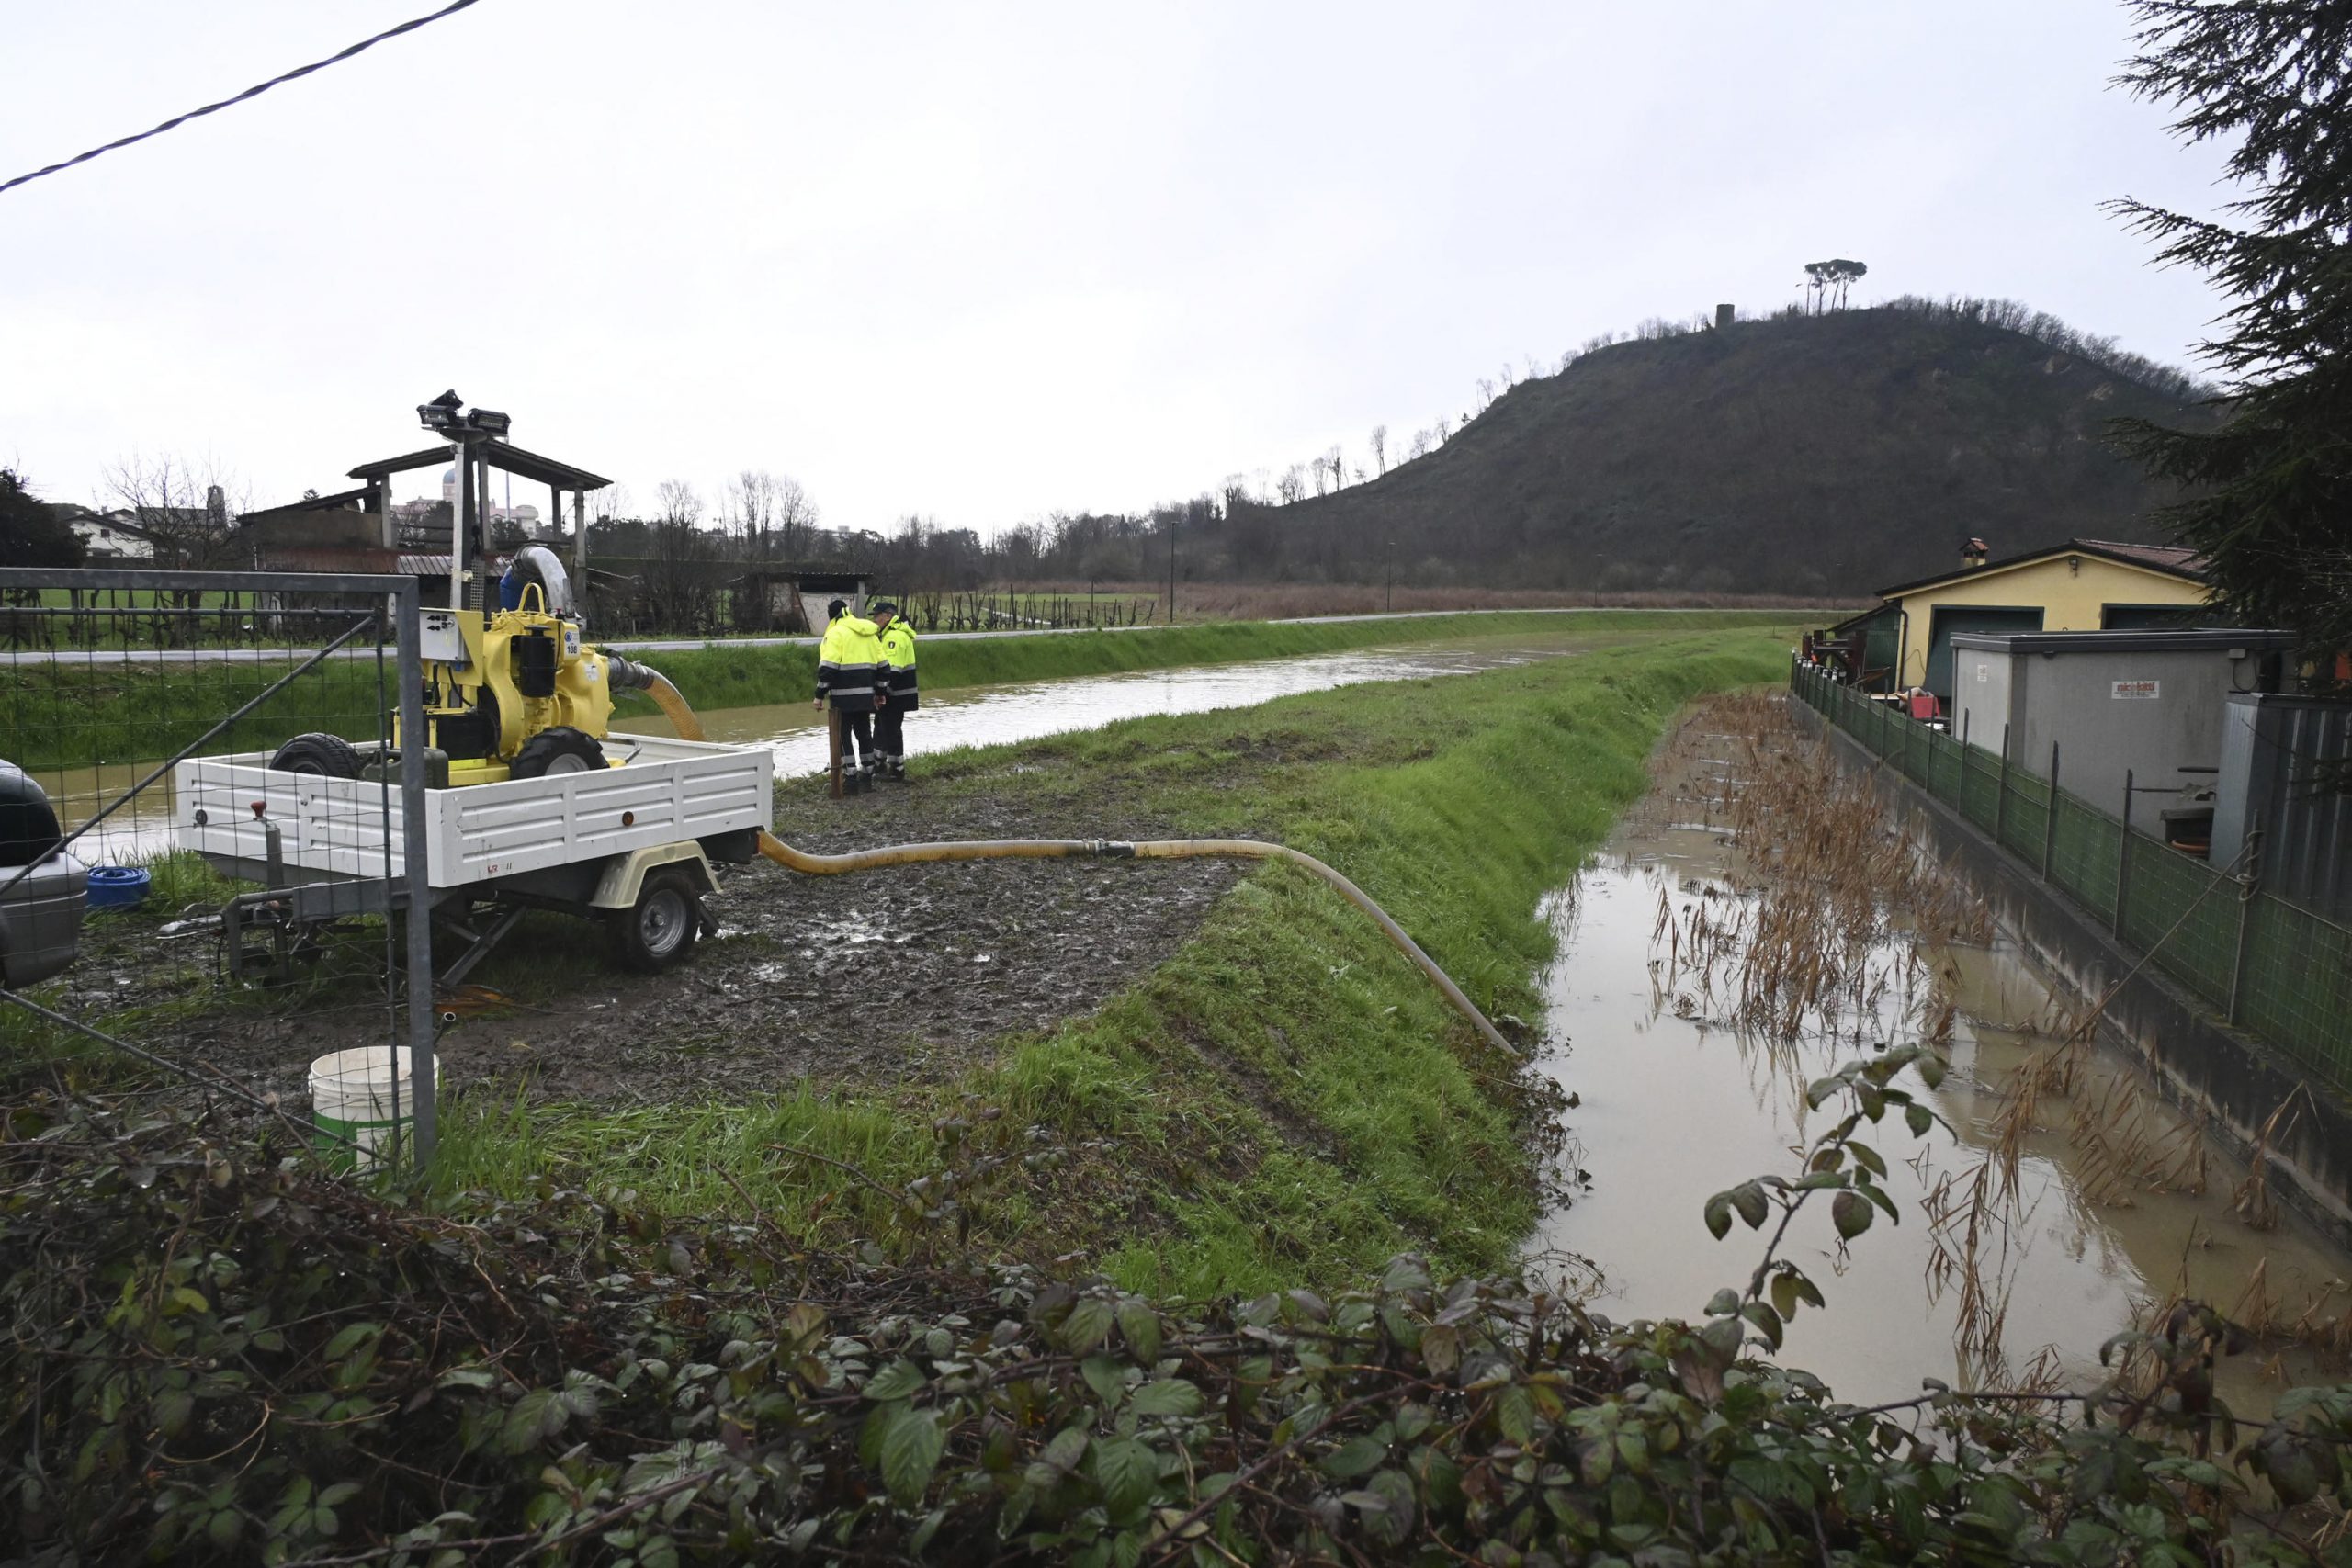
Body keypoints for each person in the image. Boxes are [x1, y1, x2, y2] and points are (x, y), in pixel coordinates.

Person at [813, 598, 887, 782]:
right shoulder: (869, 632)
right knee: (864, 734)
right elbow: (884, 668)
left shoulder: (836, 633)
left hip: (842, 698)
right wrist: (880, 693)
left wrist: (819, 695)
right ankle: (868, 775)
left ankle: (850, 777)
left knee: (842, 735)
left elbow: (828, 669)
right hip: (866, 697)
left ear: (832, 617)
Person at [872, 600, 918, 780]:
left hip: (895, 693)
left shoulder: (894, 637)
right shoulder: (887, 634)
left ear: (888, 616)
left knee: (891, 729)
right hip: (893, 692)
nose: (874, 619)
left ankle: (897, 770)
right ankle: (879, 764)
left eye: (877, 615)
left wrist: (882, 692)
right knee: (882, 727)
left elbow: (893, 669)